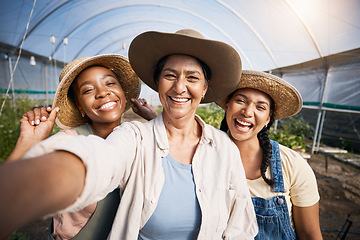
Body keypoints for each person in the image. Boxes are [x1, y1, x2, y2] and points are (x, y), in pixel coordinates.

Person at [0, 29, 258, 239]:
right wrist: (23, 179)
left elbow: (240, 228)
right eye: (170, 75)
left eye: (192, 77)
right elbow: (98, 161)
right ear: (158, 84)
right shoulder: (133, 136)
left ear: (204, 88)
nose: (180, 87)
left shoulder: (224, 148)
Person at [6, 54, 155, 240]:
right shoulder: (69, 142)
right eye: (88, 90)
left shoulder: (138, 138)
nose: (102, 93)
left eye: (110, 84)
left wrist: (155, 119)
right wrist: (26, 143)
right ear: (81, 107)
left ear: (123, 95)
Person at [217, 70, 323, 240]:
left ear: (268, 119)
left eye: (260, 107)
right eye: (241, 101)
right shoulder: (205, 156)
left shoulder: (291, 164)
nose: (248, 112)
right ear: (227, 105)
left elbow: (310, 234)